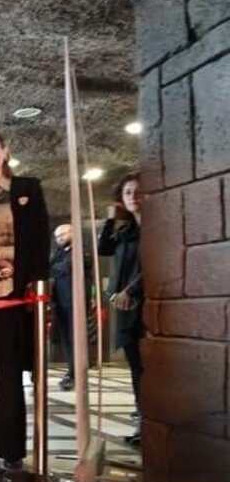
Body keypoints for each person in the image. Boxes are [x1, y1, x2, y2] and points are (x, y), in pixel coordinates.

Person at [0, 125, 50, 470]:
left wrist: (35, 282)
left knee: (9, 371)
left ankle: (12, 447)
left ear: (5, 151)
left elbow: (40, 241)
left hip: (14, 295)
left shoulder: (27, 189)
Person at [98, 171, 144, 445]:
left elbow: (154, 263)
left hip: (144, 302)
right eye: (127, 193)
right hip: (126, 305)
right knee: (136, 367)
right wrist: (110, 219)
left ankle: (148, 422)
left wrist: (131, 290)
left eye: (138, 191)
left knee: (148, 368)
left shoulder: (156, 228)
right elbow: (104, 248)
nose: (133, 197)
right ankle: (142, 422)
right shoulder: (126, 231)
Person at [50, 223, 77, 391]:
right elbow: (50, 267)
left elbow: (67, 267)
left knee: (74, 339)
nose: (59, 239)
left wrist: (53, 269)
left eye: (62, 235)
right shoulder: (59, 252)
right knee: (66, 339)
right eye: (57, 237)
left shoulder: (80, 251)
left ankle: (74, 373)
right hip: (61, 302)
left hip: (75, 302)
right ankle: (71, 371)